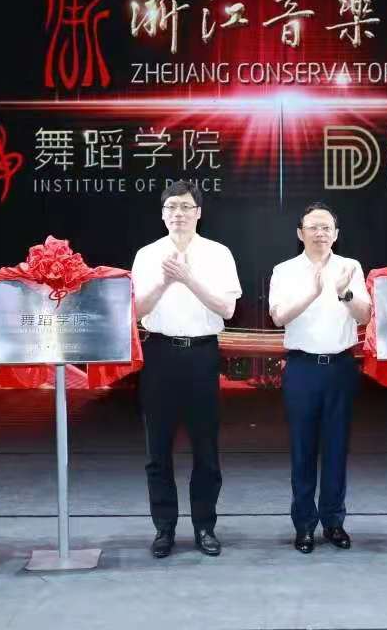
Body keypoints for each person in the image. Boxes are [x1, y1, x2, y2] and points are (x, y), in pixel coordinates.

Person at [131, 180, 241, 558]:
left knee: (205, 448)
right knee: (157, 449)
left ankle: (204, 526)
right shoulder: (148, 255)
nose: (178, 213)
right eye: (172, 207)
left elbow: (227, 309)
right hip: (159, 354)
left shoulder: (218, 254)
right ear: (163, 214)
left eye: (186, 207)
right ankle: (164, 528)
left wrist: (188, 279)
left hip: (201, 355)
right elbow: (136, 311)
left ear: (199, 213)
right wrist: (165, 280)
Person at [268, 202, 370, 553]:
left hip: (341, 367)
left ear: (336, 234)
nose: (320, 233)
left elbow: (365, 315)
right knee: (303, 449)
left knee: (337, 448)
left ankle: (334, 522)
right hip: (302, 368)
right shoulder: (284, 270)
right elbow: (278, 317)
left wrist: (344, 293)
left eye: (326, 227)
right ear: (301, 233)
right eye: (313, 227)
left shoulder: (350, 267)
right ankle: (304, 525)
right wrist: (311, 293)